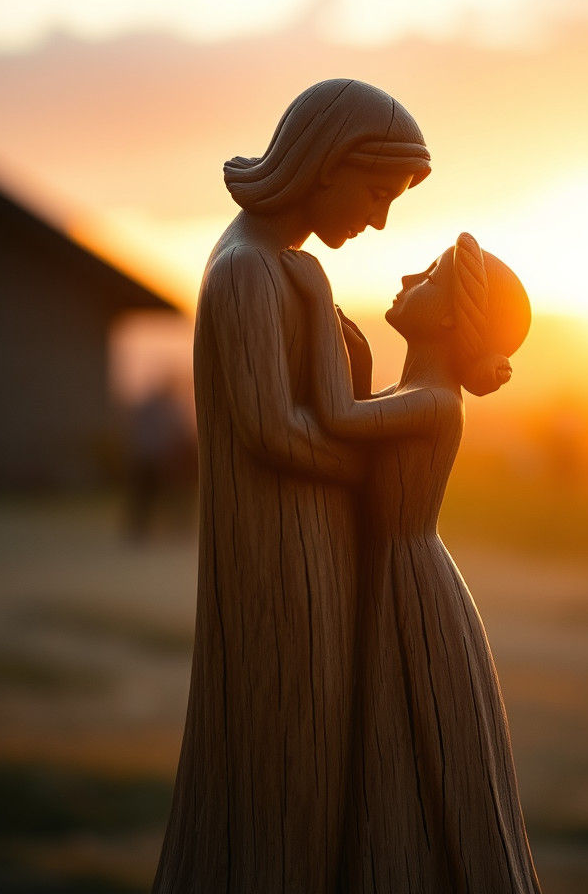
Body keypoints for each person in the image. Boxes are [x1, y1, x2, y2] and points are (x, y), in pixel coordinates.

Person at [152, 80, 431, 893]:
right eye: (378, 191)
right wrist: (381, 472)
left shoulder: (288, 270)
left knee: (318, 776)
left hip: (316, 557)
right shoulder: (245, 273)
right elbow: (272, 430)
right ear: (326, 162)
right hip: (279, 566)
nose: (379, 218)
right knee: (283, 776)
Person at [282, 233, 542, 893]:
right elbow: (356, 414)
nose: (405, 275)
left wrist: (315, 300)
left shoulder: (431, 405)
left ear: (454, 317)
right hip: (396, 574)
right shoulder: (415, 393)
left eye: (428, 275)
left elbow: (339, 416)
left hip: (411, 583)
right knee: (387, 741)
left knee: (405, 737)